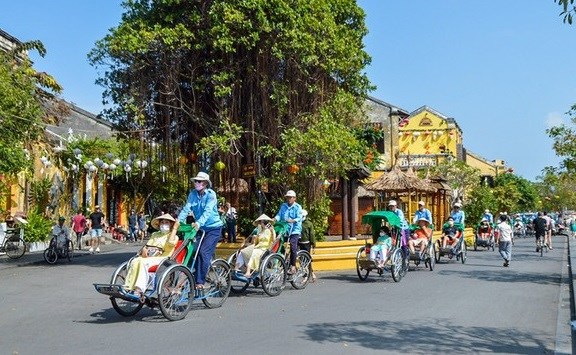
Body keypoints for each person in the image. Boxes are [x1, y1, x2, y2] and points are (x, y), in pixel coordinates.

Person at [175, 172, 223, 291]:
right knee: (191, 252)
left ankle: (200, 282)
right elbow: (187, 208)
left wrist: (198, 223)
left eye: (199, 181)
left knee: (203, 252)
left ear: (205, 183)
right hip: (200, 228)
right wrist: (178, 221)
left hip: (213, 228)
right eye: (196, 181)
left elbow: (207, 211)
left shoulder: (211, 195)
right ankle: (191, 275)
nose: (197, 183)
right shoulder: (192, 194)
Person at [123, 213, 179, 300]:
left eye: (166, 222)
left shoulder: (173, 236)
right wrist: (144, 250)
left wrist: (175, 228)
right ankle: (128, 286)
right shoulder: (155, 234)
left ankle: (139, 289)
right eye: (162, 222)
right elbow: (148, 245)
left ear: (171, 224)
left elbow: (170, 243)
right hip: (151, 256)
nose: (164, 224)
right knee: (135, 261)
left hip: (163, 258)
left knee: (143, 262)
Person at [274, 190, 303, 275]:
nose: (289, 199)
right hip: (285, 229)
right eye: (287, 197)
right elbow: (279, 215)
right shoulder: (283, 206)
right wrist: (275, 219)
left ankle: (293, 266)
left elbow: (299, 217)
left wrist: (293, 220)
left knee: (293, 246)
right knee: (278, 243)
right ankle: (280, 260)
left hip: (294, 230)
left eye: (290, 197)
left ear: (294, 198)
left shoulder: (298, 207)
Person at [245, 214, 276, 278]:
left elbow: (274, 240)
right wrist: (254, 238)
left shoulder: (271, 230)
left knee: (254, 253)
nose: (260, 224)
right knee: (243, 252)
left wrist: (272, 231)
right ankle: (238, 269)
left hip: (265, 248)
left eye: (261, 222)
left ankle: (248, 271)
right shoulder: (260, 232)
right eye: (260, 222)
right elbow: (256, 243)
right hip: (257, 247)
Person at [299, 209, 317, 282]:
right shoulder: (298, 223)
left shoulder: (309, 224)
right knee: (302, 260)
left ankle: (307, 275)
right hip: (299, 243)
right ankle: (311, 274)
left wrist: (313, 244)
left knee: (306, 259)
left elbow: (312, 235)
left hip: (306, 244)